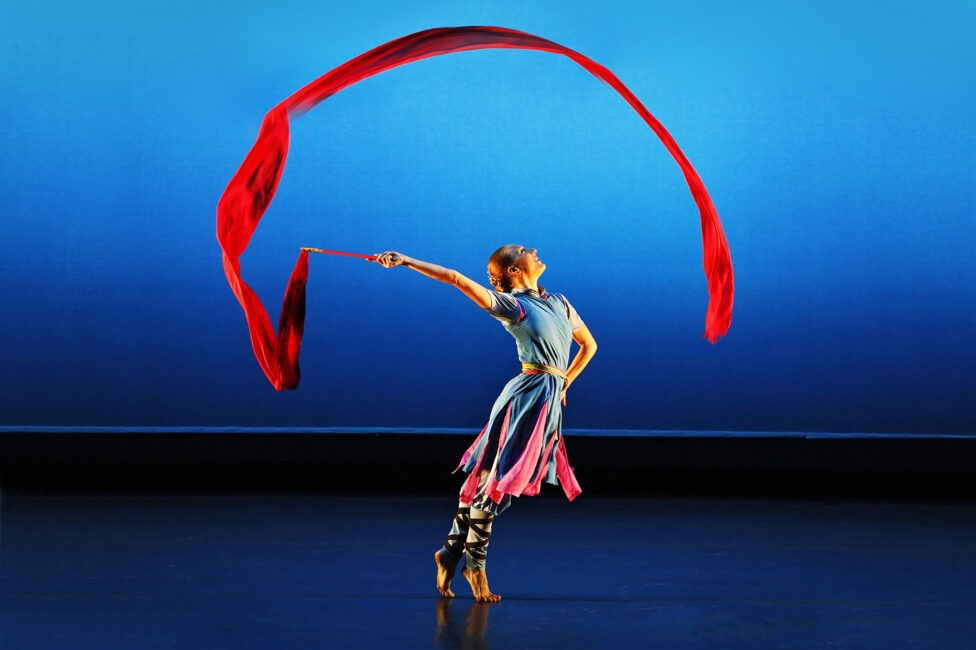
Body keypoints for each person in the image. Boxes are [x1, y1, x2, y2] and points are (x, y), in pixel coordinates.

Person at [373, 245, 597, 602]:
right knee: (498, 481)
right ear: (512, 270)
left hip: (545, 398)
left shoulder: (560, 302)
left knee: (490, 479)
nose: (534, 251)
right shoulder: (513, 306)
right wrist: (408, 260)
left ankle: (449, 553)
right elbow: (456, 279)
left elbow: (589, 346)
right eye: (524, 251)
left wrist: (565, 381)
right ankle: (474, 566)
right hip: (524, 399)